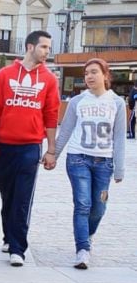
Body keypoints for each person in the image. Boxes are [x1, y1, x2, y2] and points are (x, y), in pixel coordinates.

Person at [0, 30, 60, 267]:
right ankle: (9, 235)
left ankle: (18, 247)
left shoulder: (49, 79)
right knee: (6, 193)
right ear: (30, 47)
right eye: (44, 47)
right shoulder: (5, 75)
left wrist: (51, 149)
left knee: (22, 197)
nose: (47, 52)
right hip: (5, 145)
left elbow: (51, 115)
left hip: (31, 146)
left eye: (49, 48)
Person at [53, 58, 126, 270]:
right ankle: (82, 249)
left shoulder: (117, 103)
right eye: (86, 73)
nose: (90, 77)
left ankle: (88, 234)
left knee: (99, 207)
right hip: (78, 159)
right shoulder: (77, 102)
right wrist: (53, 155)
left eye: (94, 72)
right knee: (82, 204)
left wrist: (119, 168)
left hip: (104, 164)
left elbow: (119, 137)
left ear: (105, 75)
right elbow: (65, 130)